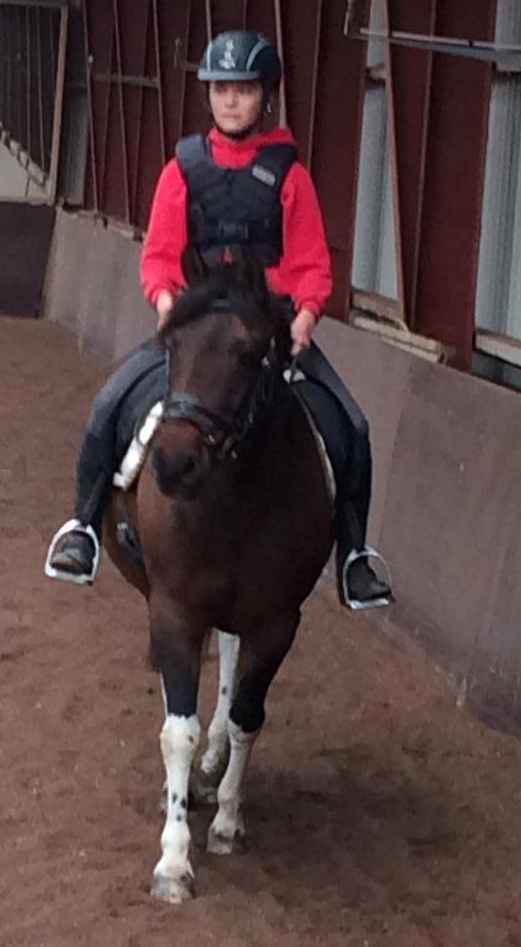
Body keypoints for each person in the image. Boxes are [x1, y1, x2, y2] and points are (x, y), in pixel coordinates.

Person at [46, 30, 393, 610]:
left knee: (351, 429)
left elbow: (311, 263)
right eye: (221, 89)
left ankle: (354, 556)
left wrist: (306, 314)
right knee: (108, 405)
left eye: (244, 90)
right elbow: (159, 255)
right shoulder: (183, 169)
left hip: (270, 329)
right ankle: (82, 529)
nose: (231, 101)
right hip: (195, 327)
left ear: (266, 97)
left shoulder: (290, 175)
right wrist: (166, 304)